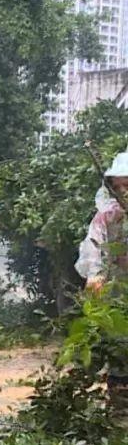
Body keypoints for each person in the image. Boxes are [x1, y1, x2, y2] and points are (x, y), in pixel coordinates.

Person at [75, 151, 128, 424]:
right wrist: (96, 278)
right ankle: (120, 416)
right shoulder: (108, 218)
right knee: (120, 353)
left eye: (127, 185)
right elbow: (93, 250)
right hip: (119, 298)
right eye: (118, 187)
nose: (123, 192)